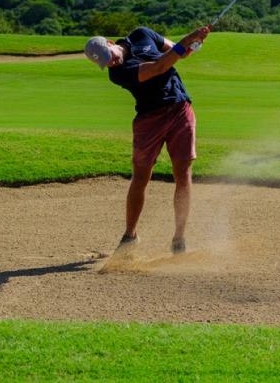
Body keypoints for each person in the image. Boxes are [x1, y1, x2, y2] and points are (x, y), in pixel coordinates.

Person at [84, 24, 210, 255]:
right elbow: (159, 66)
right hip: (149, 119)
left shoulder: (142, 34)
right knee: (141, 176)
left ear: (110, 43)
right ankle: (130, 235)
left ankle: (179, 238)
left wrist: (195, 42)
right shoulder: (119, 73)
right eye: (105, 62)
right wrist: (187, 39)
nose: (111, 62)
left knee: (182, 173)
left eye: (109, 56)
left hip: (180, 108)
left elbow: (179, 52)